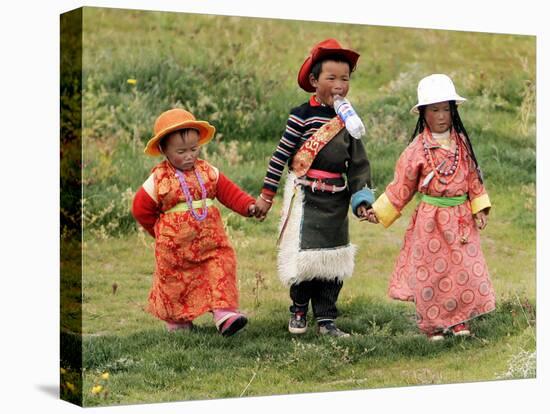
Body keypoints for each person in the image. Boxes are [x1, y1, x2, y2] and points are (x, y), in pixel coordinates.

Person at [254, 39, 376, 337]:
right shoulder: (301, 116)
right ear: (313, 80)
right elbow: (281, 157)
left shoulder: (349, 121)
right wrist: (266, 196)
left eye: (345, 78)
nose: (339, 84)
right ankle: (298, 309)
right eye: (331, 78)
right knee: (305, 259)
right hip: (306, 198)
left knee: (333, 260)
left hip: (335, 199)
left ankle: (326, 318)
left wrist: (361, 200)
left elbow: (359, 164)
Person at [367, 74, 495, 341]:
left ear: (453, 111)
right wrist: (379, 212)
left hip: (461, 221)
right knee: (433, 274)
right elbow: (402, 185)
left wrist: (479, 207)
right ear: (423, 113)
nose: (441, 116)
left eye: (445, 109)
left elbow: (473, 178)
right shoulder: (417, 150)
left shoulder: (462, 144)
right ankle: (433, 325)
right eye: (434, 110)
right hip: (431, 221)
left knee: (463, 270)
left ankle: (459, 319)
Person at [132, 108, 256, 336]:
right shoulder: (158, 179)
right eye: (181, 151)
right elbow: (140, 208)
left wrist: (248, 206)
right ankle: (179, 322)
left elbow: (229, 192)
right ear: (163, 150)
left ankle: (224, 314)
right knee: (176, 283)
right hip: (175, 249)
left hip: (211, 243)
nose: (189, 155)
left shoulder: (208, 171)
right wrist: (160, 232)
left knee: (221, 267)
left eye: (194, 148)